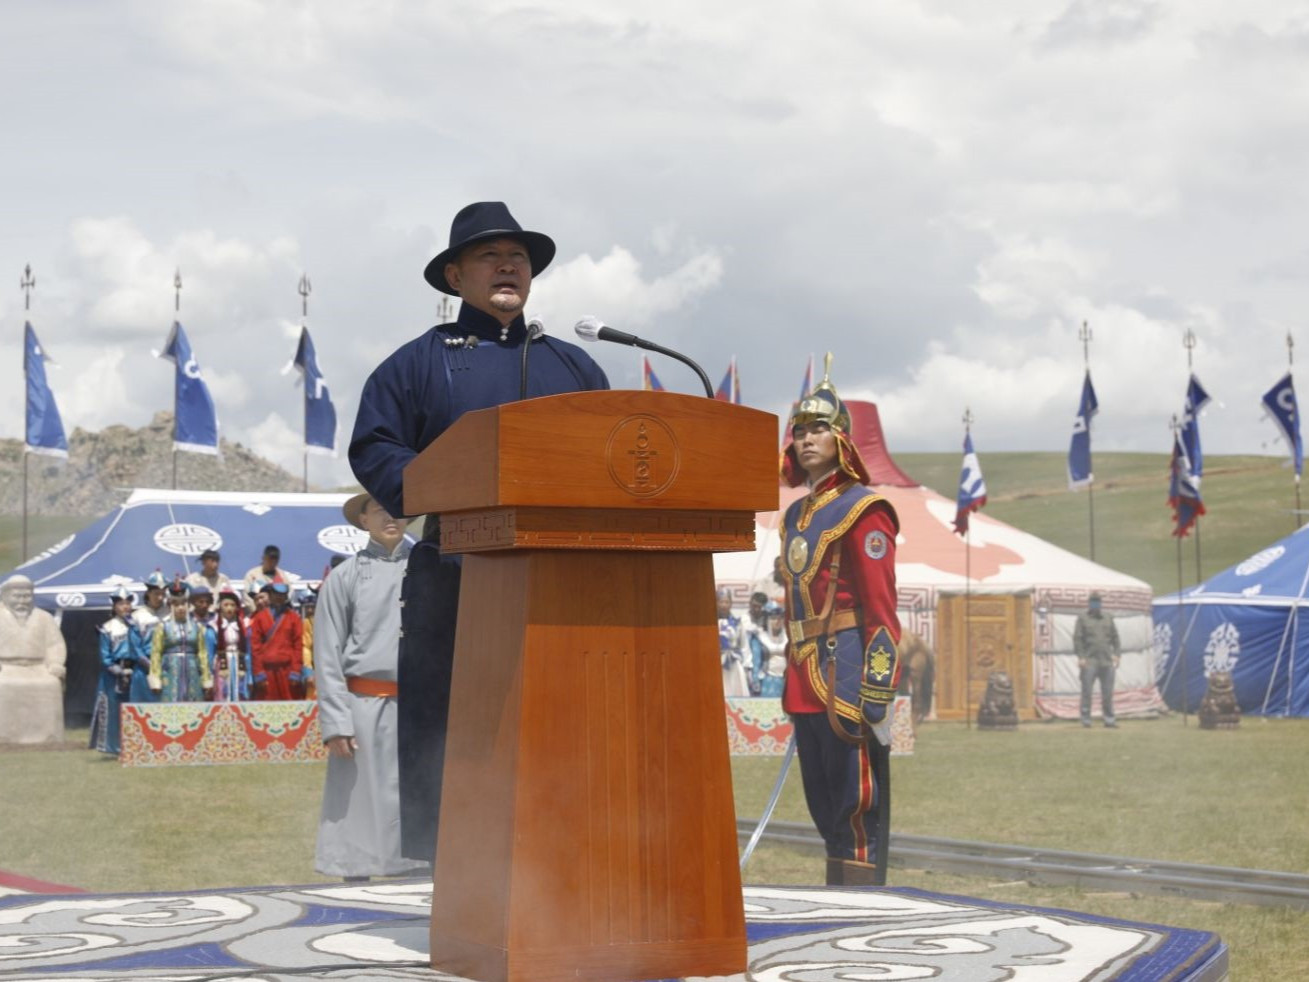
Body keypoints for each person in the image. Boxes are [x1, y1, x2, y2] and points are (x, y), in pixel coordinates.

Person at [349, 201, 609, 863]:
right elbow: (376, 447)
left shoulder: (573, 367)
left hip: (563, 579)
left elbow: (611, 457)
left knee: (558, 728)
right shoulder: (417, 364)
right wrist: (442, 486)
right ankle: (454, 873)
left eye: (517, 258)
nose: (507, 268)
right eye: (490, 257)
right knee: (457, 737)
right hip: (455, 574)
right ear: (455, 276)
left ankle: (563, 859)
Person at [779, 355, 900, 887]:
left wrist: (879, 683)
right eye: (800, 430)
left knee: (855, 804)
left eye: (819, 429)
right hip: (805, 674)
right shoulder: (794, 515)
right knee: (823, 803)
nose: (806, 439)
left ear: (843, 440)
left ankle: (863, 901)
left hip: (847, 670)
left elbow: (881, 604)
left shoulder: (865, 507)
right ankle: (838, 901)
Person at [314, 493, 426, 880]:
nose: (390, 517)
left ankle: (413, 878)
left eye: (397, 509)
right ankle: (356, 881)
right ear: (363, 519)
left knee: (415, 800)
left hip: (418, 710)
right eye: (379, 509)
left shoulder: (428, 572)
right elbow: (326, 654)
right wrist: (336, 722)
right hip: (362, 707)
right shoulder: (344, 577)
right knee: (359, 805)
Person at [149, 581, 213, 702]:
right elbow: (156, 653)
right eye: (176, 604)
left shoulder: (196, 627)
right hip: (170, 671)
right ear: (170, 605)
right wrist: (155, 678)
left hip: (192, 671)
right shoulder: (163, 626)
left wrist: (206, 679)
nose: (180, 608)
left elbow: (203, 654)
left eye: (183, 603)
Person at [90, 587, 135, 755]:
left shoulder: (135, 625)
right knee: (113, 709)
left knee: (133, 708)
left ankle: (133, 744)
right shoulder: (107, 628)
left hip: (134, 670)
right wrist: (119, 671)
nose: (125, 607)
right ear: (115, 606)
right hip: (113, 674)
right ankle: (113, 746)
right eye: (122, 604)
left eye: (128, 603)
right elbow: (105, 656)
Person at [249, 582, 305, 700]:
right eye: (276, 594)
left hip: (288, 671)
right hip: (267, 671)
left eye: (282, 594)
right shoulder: (260, 618)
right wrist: (259, 673)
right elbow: (255, 647)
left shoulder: (294, 617)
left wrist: (296, 671)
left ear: (286, 597)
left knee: (290, 708)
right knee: (266, 709)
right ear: (271, 595)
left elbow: (298, 646)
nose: (279, 597)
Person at [1075, 592, 1121, 728]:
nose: (1095, 604)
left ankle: (1109, 719)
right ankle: (1086, 719)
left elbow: (1115, 637)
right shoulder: (1082, 618)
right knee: (1087, 691)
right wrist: (1081, 657)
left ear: (1101, 603)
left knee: (1107, 692)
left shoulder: (1108, 618)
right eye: (1093, 601)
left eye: (1097, 601)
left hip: (1107, 661)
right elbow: (1077, 639)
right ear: (1089, 602)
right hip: (1090, 660)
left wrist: (1117, 654)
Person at [128, 572, 168, 702]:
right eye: (156, 593)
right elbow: (134, 646)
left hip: (167, 666)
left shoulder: (170, 614)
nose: (160, 597)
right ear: (148, 593)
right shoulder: (137, 616)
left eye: (163, 593)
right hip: (144, 668)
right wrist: (151, 665)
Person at [212, 589, 251, 701]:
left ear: (237, 608)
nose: (229, 608)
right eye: (226, 605)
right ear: (220, 607)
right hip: (222, 663)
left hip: (239, 660)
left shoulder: (243, 626)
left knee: (240, 690)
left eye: (232, 605)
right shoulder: (214, 626)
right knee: (223, 690)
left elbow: (247, 649)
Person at [750, 601, 788, 697]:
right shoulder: (760, 638)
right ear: (767, 620)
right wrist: (755, 681)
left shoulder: (789, 637)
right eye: (773, 618)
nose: (777, 621)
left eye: (780, 618)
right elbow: (756, 662)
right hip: (768, 680)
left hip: (787, 680)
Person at [717, 586, 750, 696]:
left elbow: (744, 646)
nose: (724, 605)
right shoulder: (711, 624)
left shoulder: (737, 623)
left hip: (734, 665)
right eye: (721, 602)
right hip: (717, 664)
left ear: (731, 604)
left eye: (727, 602)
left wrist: (747, 666)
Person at [243, 546, 293, 613]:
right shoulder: (252, 575)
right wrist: (258, 614)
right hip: (258, 614)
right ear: (263, 558)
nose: (272, 562)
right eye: (270, 559)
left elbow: (289, 595)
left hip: (278, 615)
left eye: (275, 560)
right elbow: (247, 598)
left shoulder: (282, 576)